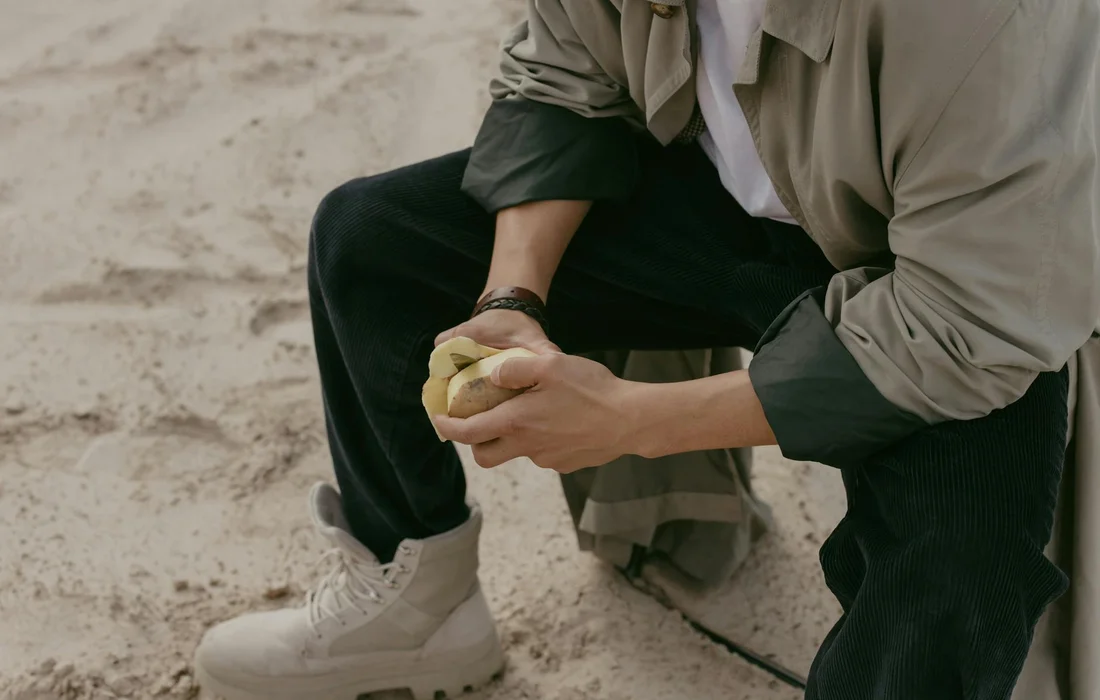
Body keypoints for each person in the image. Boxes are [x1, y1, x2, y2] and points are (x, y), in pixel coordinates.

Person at [192, 0, 1100, 698]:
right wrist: (512, 300)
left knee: (960, 556)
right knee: (370, 240)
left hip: (947, 273)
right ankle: (419, 603)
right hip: (736, 199)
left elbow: (968, 321)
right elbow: (563, 70)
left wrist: (631, 421)